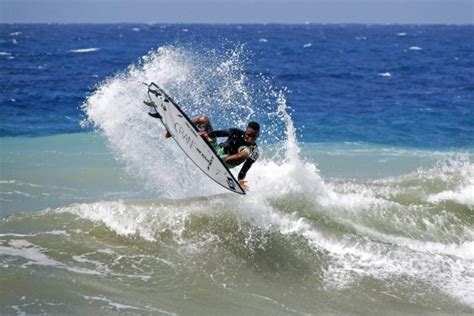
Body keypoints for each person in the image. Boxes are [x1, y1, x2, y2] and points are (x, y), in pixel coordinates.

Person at [165, 116, 260, 191]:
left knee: (245, 153)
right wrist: (207, 135)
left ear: (258, 135)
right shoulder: (236, 132)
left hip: (226, 161)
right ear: (245, 131)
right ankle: (176, 127)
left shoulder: (254, 151)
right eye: (248, 135)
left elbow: (245, 169)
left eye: (253, 136)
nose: (250, 138)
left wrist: (240, 180)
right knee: (204, 119)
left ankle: (219, 161)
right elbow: (219, 133)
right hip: (218, 149)